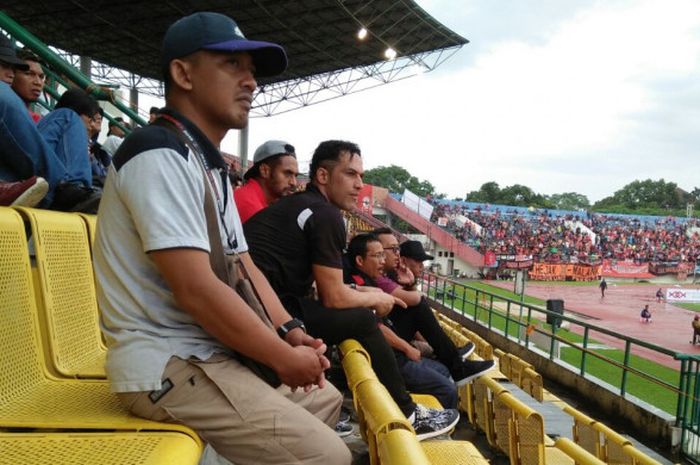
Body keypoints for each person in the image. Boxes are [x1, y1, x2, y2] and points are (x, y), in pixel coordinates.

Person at [93, 12, 350, 465]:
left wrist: (289, 332)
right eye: (233, 66)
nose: (251, 81)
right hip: (166, 363)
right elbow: (196, 289)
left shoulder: (208, 164)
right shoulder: (158, 151)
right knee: (328, 456)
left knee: (325, 398)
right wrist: (278, 356)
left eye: (252, 71)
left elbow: (244, 265)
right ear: (183, 73)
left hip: (205, 355)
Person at [245, 140, 460, 441]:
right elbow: (334, 297)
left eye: (361, 176)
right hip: (262, 310)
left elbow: (327, 288)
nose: (360, 184)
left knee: (356, 313)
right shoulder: (325, 214)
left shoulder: (303, 206)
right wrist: (378, 297)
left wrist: (373, 296)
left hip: (261, 304)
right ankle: (408, 412)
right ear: (322, 176)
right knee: (360, 319)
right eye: (350, 174)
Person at [347, 233, 459, 409]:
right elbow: (375, 326)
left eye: (384, 255)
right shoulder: (361, 284)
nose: (383, 260)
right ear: (360, 260)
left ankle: (456, 365)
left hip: (394, 351)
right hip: (390, 357)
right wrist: (407, 348)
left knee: (444, 371)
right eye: (379, 255)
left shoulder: (369, 281)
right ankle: (435, 428)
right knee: (448, 390)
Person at [373, 229, 495, 384]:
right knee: (420, 306)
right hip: (387, 348)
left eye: (397, 249)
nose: (422, 266)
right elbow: (415, 302)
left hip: (390, 340)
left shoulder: (385, 276)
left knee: (421, 312)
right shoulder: (382, 278)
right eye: (393, 249)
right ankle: (456, 364)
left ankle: (453, 359)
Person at [233, 139, 298, 223]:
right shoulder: (251, 207)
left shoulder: (255, 198)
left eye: (295, 176)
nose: (294, 182)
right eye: (287, 173)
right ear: (264, 170)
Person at [11, 48, 45, 122]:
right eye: (29, 74)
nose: (38, 82)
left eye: (41, 77)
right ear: (11, 74)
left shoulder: (38, 120)